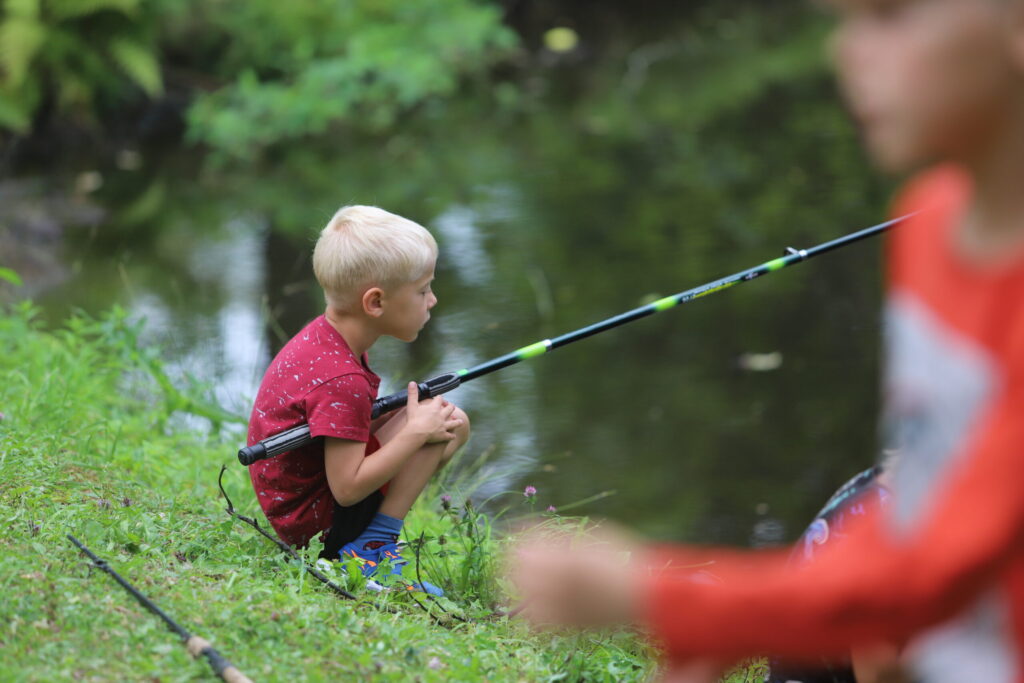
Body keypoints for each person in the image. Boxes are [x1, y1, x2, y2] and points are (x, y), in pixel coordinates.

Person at [508, 0, 1024, 679]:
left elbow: (938, 563)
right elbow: (921, 513)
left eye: (890, 16)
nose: (847, 53)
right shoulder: (927, 227)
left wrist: (657, 595)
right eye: (844, 21)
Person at [247, 205, 470, 595]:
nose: (432, 300)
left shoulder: (328, 337)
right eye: (422, 290)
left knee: (446, 418)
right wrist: (413, 432)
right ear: (376, 303)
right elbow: (347, 489)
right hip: (313, 526)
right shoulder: (342, 379)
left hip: (297, 503)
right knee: (442, 425)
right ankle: (370, 551)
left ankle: (369, 543)